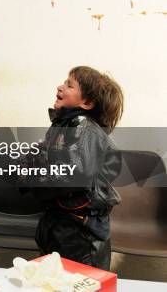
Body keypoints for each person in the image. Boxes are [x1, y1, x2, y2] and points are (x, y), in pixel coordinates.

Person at [30, 66, 124, 270]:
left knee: (78, 279)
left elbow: (72, 175)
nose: (60, 87)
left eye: (69, 85)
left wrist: (31, 177)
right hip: (59, 222)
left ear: (87, 103)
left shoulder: (85, 129)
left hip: (79, 231)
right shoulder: (65, 125)